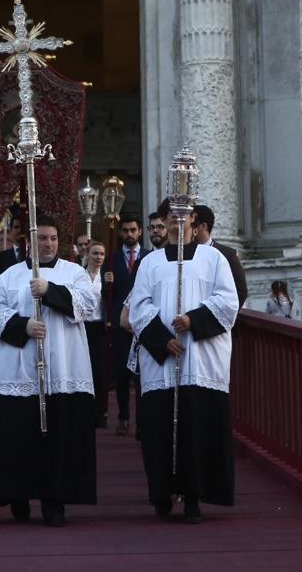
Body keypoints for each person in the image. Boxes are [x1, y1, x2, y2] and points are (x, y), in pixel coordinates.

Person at [0, 216, 98, 527]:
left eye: (54, 238)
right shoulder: (11, 276)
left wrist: (51, 291)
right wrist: (23, 325)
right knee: (18, 437)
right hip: (20, 370)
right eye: (42, 238)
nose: (49, 244)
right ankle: (18, 495)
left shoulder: (74, 272)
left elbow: (89, 305)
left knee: (59, 438)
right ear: (30, 241)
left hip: (63, 369)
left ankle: (54, 501)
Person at [130, 199, 239, 523]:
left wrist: (193, 320)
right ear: (164, 221)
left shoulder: (214, 259)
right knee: (160, 429)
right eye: (171, 217)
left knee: (197, 429)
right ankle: (162, 494)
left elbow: (228, 302)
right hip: (163, 360)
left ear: (193, 220)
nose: (178, 222)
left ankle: (194, 497)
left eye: (184, 216)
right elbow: (138, 307)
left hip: (200, 361)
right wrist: (162, 340)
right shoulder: (150, 263)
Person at [106, 214, 144, 436]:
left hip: (141, 324)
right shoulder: (111, 260)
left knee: (142, 375)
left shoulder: (148, 258)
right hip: (120, 326)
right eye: (126, 230)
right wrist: (105, 283)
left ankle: (141, 421)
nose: (129, 234)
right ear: (120, 233)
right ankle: (123, 417)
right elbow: (103, 296)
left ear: (140, 232)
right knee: (121, 374)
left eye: (133, 230)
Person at [192, 204, 249, 307]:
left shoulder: (227, 254)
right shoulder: (184, 253)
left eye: (192, 224)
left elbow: (240, 291)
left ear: (203, 226)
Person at [83, 241, 110, 427]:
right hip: (82, 327)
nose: (99, 257)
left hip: (100, 327)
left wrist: (110, 286)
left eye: (101, 254)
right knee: (84, 370)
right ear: (88, 254)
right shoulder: (80, 275)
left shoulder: (107, 276)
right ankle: (84, 411)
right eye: (95, 253)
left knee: (100, 372)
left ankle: (101, 413)